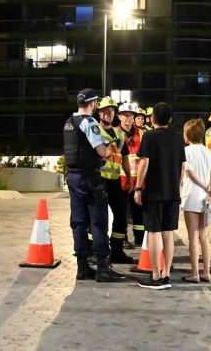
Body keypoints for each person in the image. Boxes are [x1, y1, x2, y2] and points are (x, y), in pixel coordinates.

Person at [63, 88, 125, 282]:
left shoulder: (68, 123)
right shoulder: (89, 123)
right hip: (90, 178)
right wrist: (111, 148)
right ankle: (103, 268)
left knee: (79, 222)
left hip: (73, 177)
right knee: (98, 221)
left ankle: (82, 268)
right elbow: (101, 151)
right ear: (92, 104)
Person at [134, 102, 186, 290]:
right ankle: (167, 274)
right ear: (170, 119)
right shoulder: (178, 138)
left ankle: (155, 276)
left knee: (154, 233)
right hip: (172, 192)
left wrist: (138, 187)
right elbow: (183, 167)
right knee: (168, 233)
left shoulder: (149, 136)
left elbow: (144, 163)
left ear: (152, 118)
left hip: (154, 192)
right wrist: (178, 188)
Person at [96, 96, 134, 264]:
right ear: (99, 113)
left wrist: (129, 178)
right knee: (99, 218)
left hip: (116, 181)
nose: (109, 114)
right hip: (100, 180)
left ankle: (117, 251)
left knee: (120, 218)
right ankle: (95, 251)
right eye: (106, 111)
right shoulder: (95, 131)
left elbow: (124, 157)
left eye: (112, 111)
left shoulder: (119, 134)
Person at [180, 119, 211, 283]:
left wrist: (204, 186)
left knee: (193, 237)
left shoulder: (186, 152)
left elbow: (189, 174)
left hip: (191, 196)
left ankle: (195, 273)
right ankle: (207, 273)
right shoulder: (209, 152)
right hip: (207, 197)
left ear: (187, 134)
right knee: (204, 237)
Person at [118, 102, 145, 247]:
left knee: (139, 213)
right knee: (121, 213)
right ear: (120, 117)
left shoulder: (141, 134)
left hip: (138, 181)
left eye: (131, 115)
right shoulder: (116, 133)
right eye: (126, 115)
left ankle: (140, 239)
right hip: (120, 181)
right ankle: (122, 239)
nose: (129, 118)